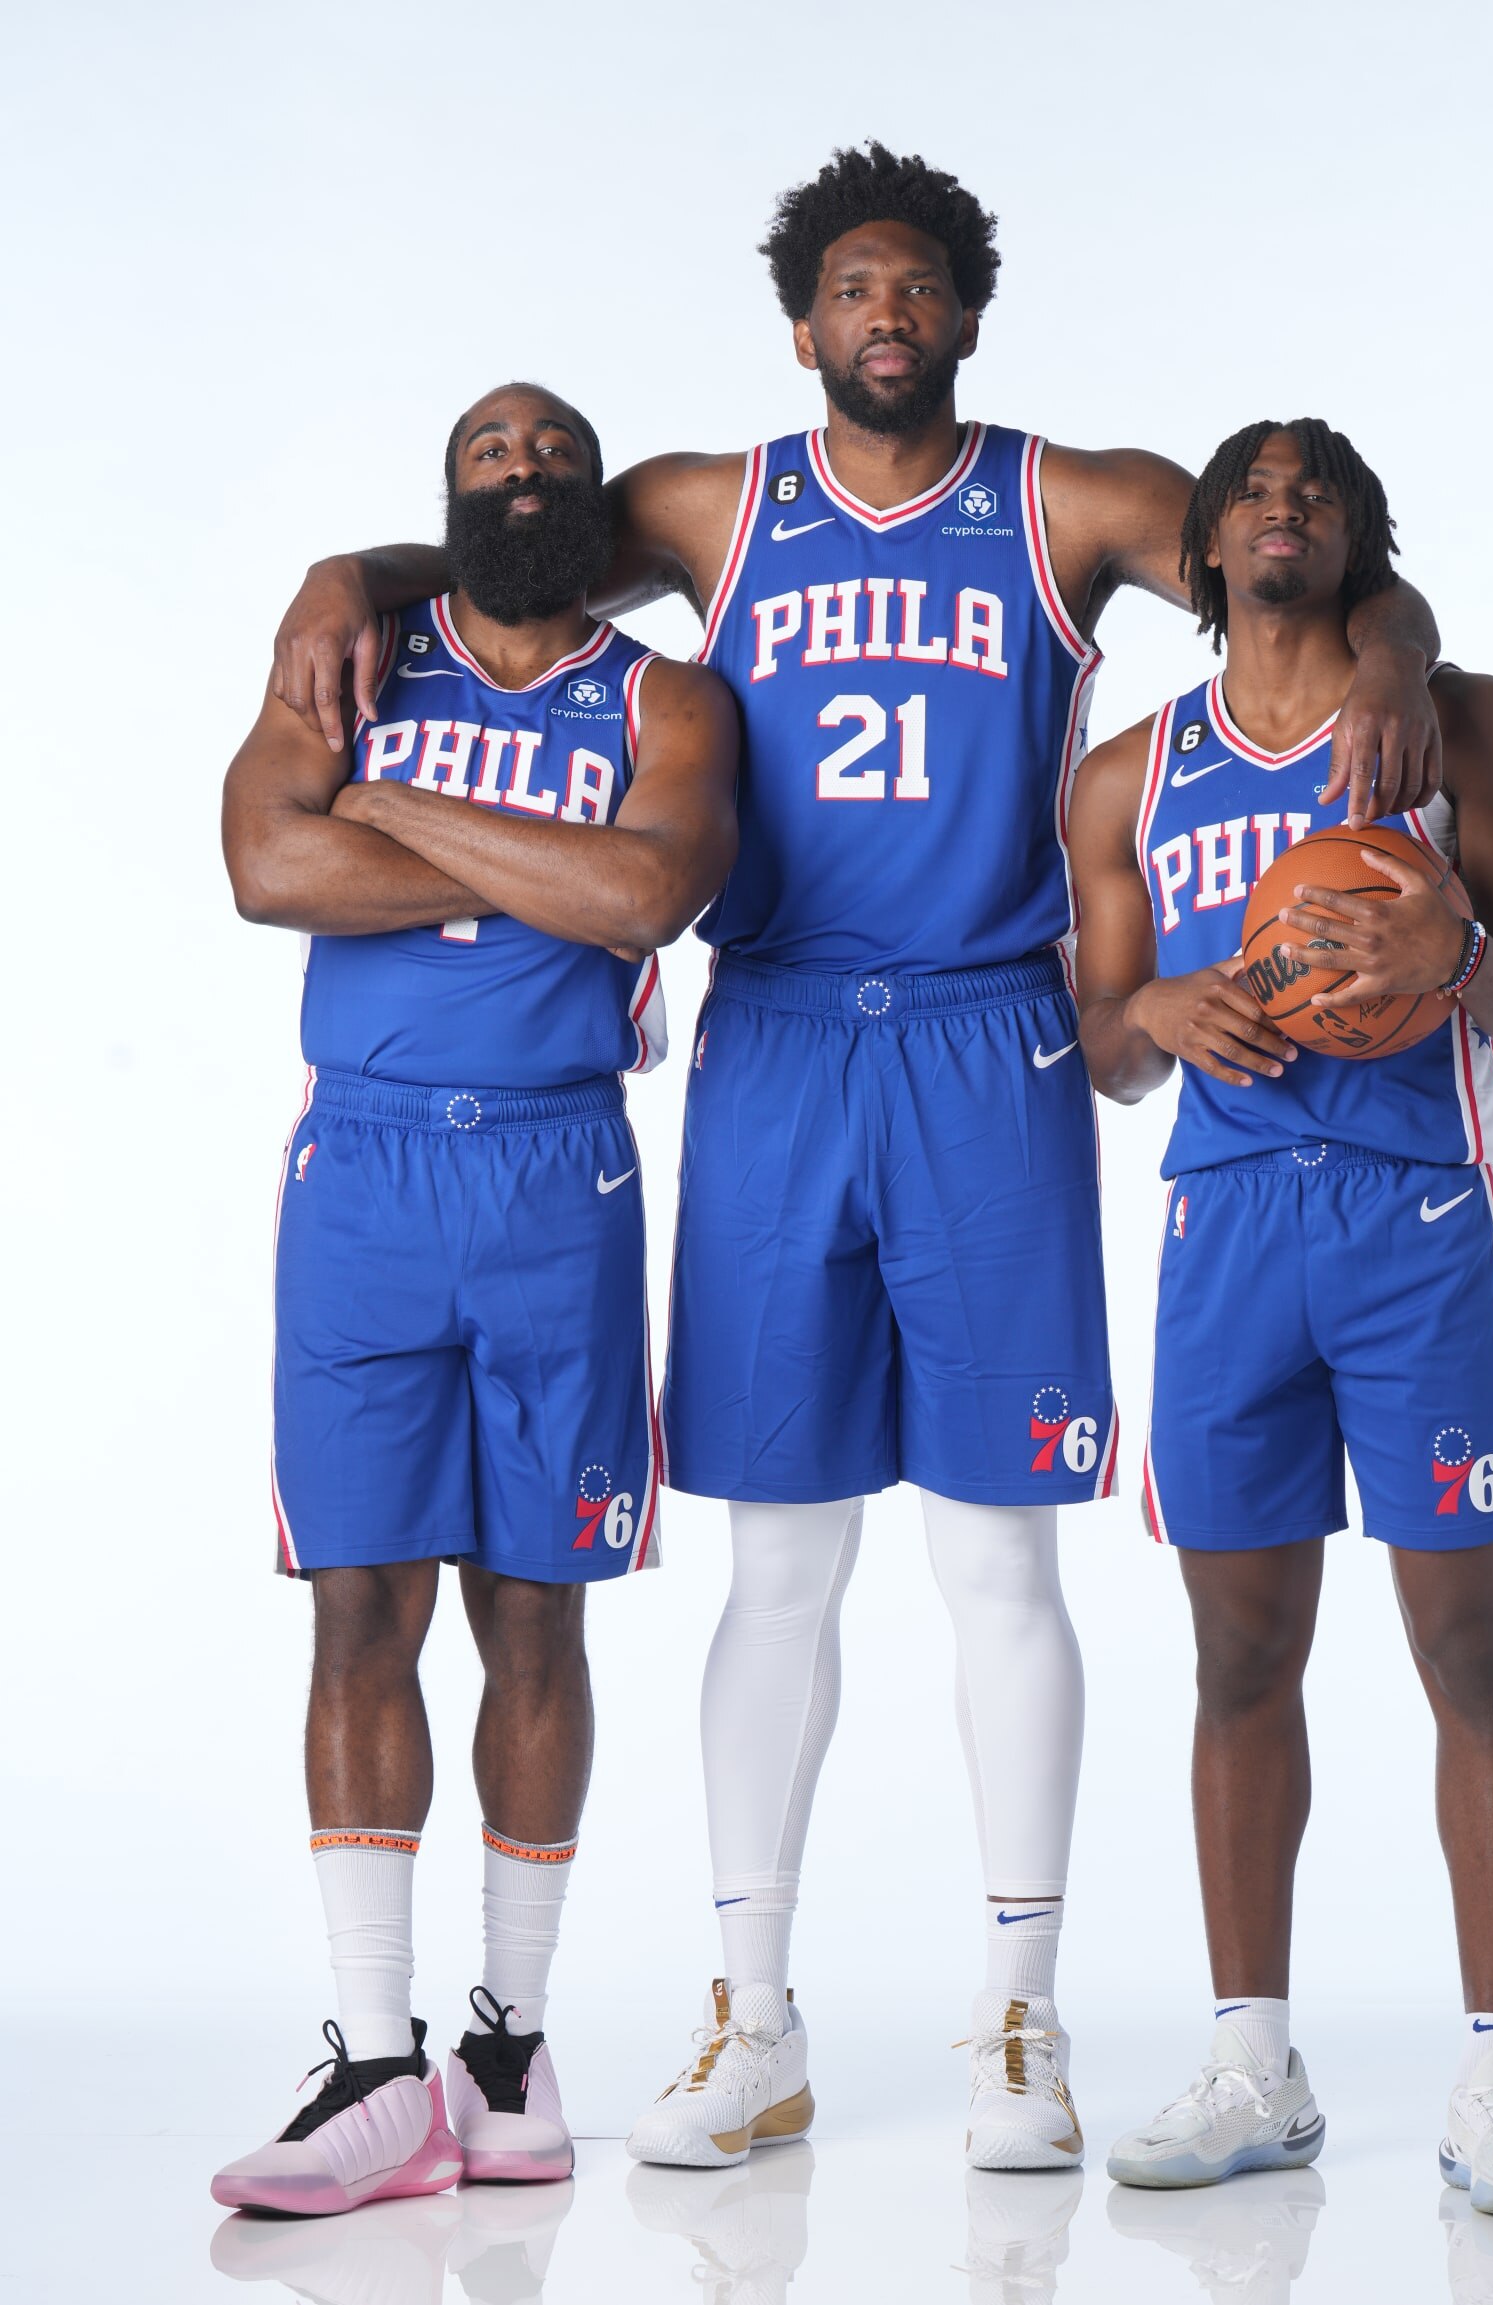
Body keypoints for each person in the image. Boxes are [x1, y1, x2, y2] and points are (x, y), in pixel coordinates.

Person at [268, 144, 1442, 2172]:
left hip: (990, 1035)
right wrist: (335, 581)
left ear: (966, 317)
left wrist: (1405, 650)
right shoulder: (713, 506)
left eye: (919, 287)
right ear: (802, 322)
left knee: (1002, 1554)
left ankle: (1021, 2015)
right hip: (782, 1039)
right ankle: (757, 2017)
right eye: (852, 289)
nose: (886, 313)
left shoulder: (1062, 498)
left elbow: (1291, 552)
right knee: (779, 1562)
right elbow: (498, 555)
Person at [212, 383, 738, 2215]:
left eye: (553, 456)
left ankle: (504, 2046)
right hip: (361, 1171)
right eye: (490, 457)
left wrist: (392, 813)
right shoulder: (355, 649)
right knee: (358, 1601)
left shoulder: (665, 700)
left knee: (538, 1611)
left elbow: (651, 890)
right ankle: (375, 2057)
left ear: (592, 501)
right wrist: (538, 870)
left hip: (553, 1174)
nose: (523, 475)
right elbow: (266, 863)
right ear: (447, 497)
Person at [1069, 418, 1493, 2217]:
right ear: (1204, 545)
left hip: (1414, 1219)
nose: (1285, 512)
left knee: (1473, 1653)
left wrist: (1453, 964)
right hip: (1229, 1232)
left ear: (1365, 538)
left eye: (1322, 493)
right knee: (1237, 1660)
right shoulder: (1129, 773)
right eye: (1254, 494)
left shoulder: (1457, 722)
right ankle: (1252, 2061)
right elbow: (1111, 1045)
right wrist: (1167, 1009)